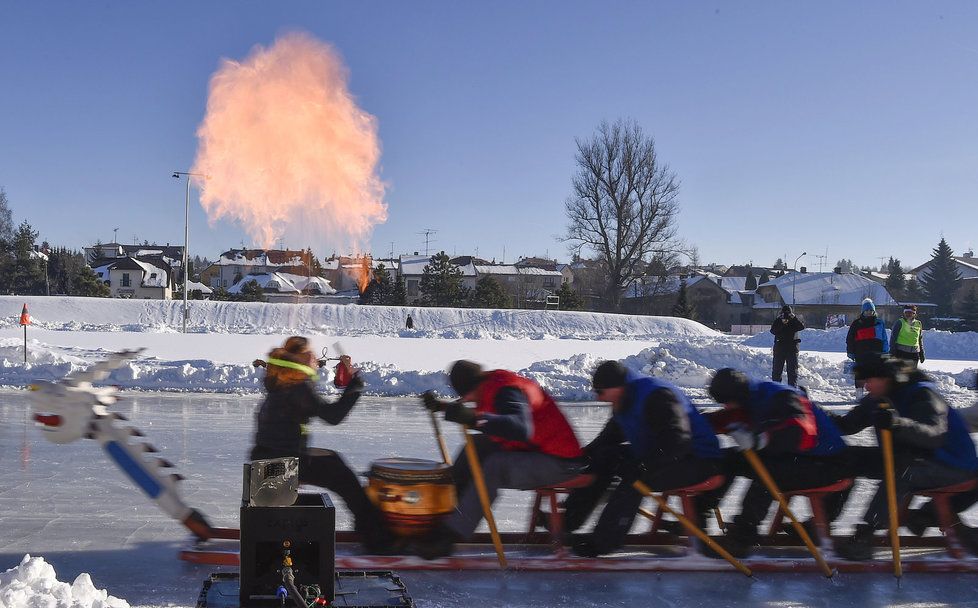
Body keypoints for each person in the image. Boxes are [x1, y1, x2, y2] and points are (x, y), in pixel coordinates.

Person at [417, 359, 584, 558]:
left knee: (495, 466)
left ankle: (450, 536)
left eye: (466, 396)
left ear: (471, 388)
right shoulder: (492, 384)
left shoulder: (506, 390)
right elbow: (488, 415)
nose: (467, 401)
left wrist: (472, 417)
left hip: (560, 463)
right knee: (476, 446)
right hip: (537, 450)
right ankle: (447, 514)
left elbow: (520, 428)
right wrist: (441, 407)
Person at [561, 361, 723, 557]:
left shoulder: (657, 396)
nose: (598, 397)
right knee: (606, 457)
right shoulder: (624, 400)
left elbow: (678, 441)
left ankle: (604, 542)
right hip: (666, 456)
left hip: (698, 460)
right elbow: (610, 438)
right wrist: (584, 455)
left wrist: (645, 465)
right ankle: (568, 521)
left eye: (601, 392)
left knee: (635, 478)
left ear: (618, 386)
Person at [249, 336, 395, 553]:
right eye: (311, 354)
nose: (316, 359)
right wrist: (355, 386)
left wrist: (341, 378)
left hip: (269, 459)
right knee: (342, 475)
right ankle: (376, 537)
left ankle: (367, 527)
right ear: (300, 358)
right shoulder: (298, 387)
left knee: (334, 460)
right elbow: (333, 416)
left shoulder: (283, 380)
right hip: (283, 463)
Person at [830, 355, 978, 560]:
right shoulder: (877, 399)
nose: (866, 387)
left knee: (902, 472)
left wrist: (898, 424)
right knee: (846, 458)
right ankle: (819, 522)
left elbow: (933, 435)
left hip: (951, 465)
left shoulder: (922, 394)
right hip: (910, 458)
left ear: (887, 379)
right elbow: (847, 425)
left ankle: (866, 535)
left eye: (870, 381)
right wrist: (815, 414)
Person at [705, 368, 850, 558]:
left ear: (738, 396)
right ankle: (698, 515)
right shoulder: (749, 398)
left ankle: (743, 535)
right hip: (799, 457)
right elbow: (727, 418)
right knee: (729, 458)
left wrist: (760, 440)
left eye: (727, 402)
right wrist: (695, 423)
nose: (726, 407)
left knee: (767, 473)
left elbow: (803, 432)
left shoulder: (780, 397)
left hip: (827, 464)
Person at [846, 298, 889, 394]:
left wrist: (885, 351)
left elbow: (884, 337)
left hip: (876, 353)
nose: (869, 312)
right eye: (867, 310)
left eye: (871, 310)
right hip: (861, 353)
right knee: (860, 374)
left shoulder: (879, 323)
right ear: (863, 311)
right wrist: (850, 351)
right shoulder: (856, 323)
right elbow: (850, 339)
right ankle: (859, 393)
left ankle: (873, 394)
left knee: (874, 375)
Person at [770, 304, 805, 386]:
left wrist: (793, 318)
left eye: (788, 313)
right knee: (777, 371)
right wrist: (781, 321)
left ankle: (792, 390)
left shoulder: (794, 320)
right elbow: (773, 331)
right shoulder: (779, 320)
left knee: (792, 372)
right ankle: (776, 389)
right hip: (780, 348)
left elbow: (801, 327)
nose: (786, 315)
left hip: (791, 349)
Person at [890, 304, 925, 369]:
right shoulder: (899, 322)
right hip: (901, 353)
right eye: (906, 312)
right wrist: (892, 352)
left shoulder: (918, 323)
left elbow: (919, 339)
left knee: (912, 375)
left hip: (914, 354)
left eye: (910, 313)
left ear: (914, 314)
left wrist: (921, 353)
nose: (908, 314)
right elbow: (893, 338)